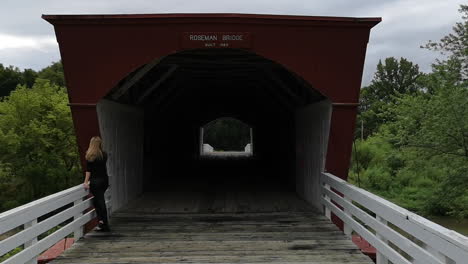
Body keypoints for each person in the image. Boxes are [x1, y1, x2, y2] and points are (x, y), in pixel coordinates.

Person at [83, 136, 110, 232]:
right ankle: (101, 222)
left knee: (100, 202)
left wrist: (86, 182)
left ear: (91, 144)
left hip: (96, 182)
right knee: (97, 201)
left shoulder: (90, 156)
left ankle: (105, 224)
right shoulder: (104, 155)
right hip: (104, 181)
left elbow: (88, 171)